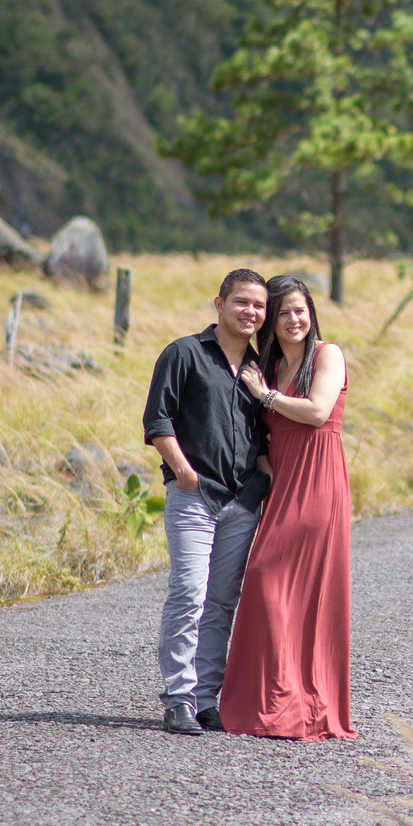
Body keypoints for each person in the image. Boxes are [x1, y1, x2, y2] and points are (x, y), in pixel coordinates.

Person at [216, 275, 352, 740]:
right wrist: (262, 466)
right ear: (269, 322)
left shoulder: (326, 355)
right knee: (269, 586)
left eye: (300, 310)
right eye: (283, 313)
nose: (294, 320)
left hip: (318, 482)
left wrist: (266, 397)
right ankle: (277, 700)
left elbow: (316, 412)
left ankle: (301, 704)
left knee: (272, 579)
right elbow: (260, 431)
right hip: (283, 484)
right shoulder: (267, 367)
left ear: (311, 313)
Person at [142, 269, 271, 736]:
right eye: (241, 302)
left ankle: (205, 700)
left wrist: (261, 475)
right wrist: (183, 473)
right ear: (219, 304)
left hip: (242, 501)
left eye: (258, 306)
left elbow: (262, 433)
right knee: (189, 594)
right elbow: (157, 419)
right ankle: (177, 697)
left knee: (221, 603)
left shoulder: (260, 368)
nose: (250, 312)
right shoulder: (185, 353)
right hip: (195, 496)